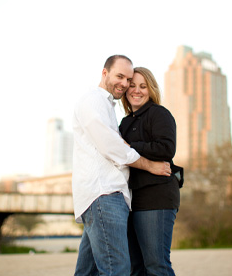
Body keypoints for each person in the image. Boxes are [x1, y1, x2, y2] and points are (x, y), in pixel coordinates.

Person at [73, 55, 172, 276]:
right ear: (104, 73)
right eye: (121, 77)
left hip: (108, 196)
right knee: (117, 269)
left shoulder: (112, 108)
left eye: (128, 79)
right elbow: (112, 147)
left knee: (88, 272)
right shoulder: (94, 101)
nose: (125, 84)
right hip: (104, 194)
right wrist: (149, 165)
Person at [120, 67, 182, 276]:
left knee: (156, 266)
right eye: (132, 86)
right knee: (135, 268)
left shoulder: (159, 114)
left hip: (157, 196)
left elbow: (166, 148)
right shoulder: (125, 123)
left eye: (143, 86)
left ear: (151, 89)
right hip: (130, 200)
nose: (137, 91)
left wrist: (130, 146)